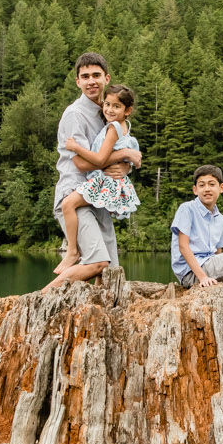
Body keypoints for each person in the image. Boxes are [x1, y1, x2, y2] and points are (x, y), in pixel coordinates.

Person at [46, 52, 140, 289]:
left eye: (96, 75)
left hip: (98, 198)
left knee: (110, 274)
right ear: (77, 81)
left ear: (106, 78)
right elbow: (82, 163)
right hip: (74, 196)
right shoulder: (75, 115)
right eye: (85, 76)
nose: (91, 81)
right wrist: (124, 155)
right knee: (98, 262)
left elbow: (113, 152)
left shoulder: (109, 111)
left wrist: (126, 165)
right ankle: (36, 300)